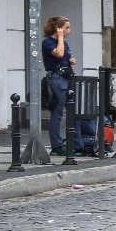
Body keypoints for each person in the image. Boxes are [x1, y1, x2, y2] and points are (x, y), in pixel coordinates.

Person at [41, 16, 77, 154]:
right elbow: (59, 53)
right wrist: (60, 37)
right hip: (56, 80)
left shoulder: (65, 43)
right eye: (66, 27)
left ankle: (74, 141)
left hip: (67, 78)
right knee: (57, 112)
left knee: (72, 110)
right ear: (59, 28)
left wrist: (70, 61)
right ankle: (56, 146)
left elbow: (63, 57)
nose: (69, 30)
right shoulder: (48, 42)